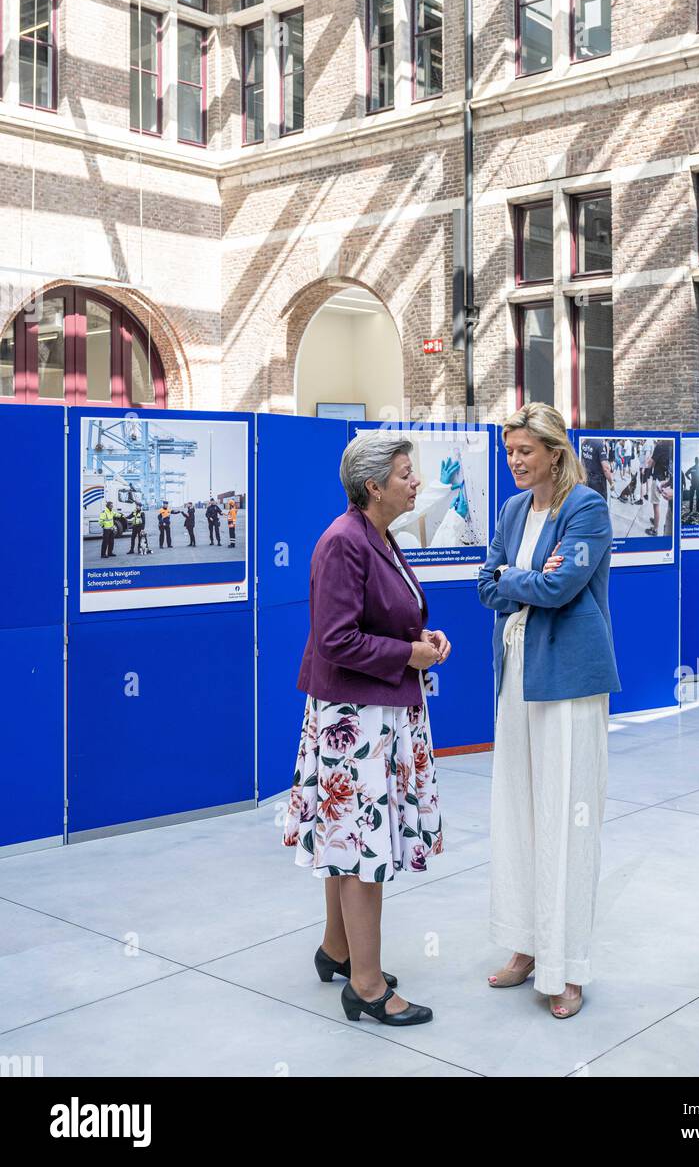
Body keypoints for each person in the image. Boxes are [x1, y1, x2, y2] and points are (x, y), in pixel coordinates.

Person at [283, 432, 452, 1029]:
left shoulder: (376, 536)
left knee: (346, 842)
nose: (416, 482)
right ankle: (368, 985)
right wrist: (408, 655)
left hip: (374, 712)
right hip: (354, 722)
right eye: (407, 474)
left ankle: (337, 949)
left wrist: (425, 642)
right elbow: (336, 639)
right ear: (373, 486)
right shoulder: (343, 542)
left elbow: (389, 618)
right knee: (362, 850)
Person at [478, 403, 620, 1019]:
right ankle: (528, 946)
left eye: (524, 452)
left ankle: (568, 968)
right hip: (516, 677)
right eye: (509, 452)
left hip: (567, 679)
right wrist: (521, 576)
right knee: (518, 811)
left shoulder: (585, 507)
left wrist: (518, 577)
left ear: (555, 453)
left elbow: (561, 589)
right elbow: (486, 583)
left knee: (567, 816)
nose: (514, 462)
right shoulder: (513, 510)